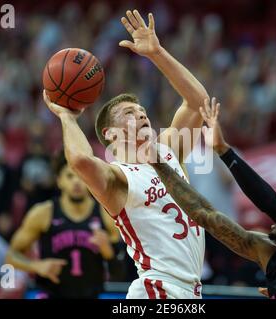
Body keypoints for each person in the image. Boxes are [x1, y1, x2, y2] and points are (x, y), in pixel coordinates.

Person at [43, 9, 209, 299]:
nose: (142, 115)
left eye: (142, 111)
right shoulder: (118, 177)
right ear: (110, 134)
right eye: (130, 113)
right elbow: (81, 160)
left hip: (188, 292)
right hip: (157, 289)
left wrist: (157, 53)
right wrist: (66, 117)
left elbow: (198, 103)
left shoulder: (169, 151)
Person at [150, 97, 276, 299]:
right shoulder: (268, 254)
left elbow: (270, 202)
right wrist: (157, 162)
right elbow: (206, 216)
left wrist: (224, 151)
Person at [6, 151, 119, 298]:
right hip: (51, 294)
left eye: (81, 176)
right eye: (70, 176)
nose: (76, 182)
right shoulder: (43, 213)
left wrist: (108, 251)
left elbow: (119, 273)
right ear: (59, 180)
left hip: (92, 295)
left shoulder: (106, 214)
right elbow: (10, 257)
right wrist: (36, 266)